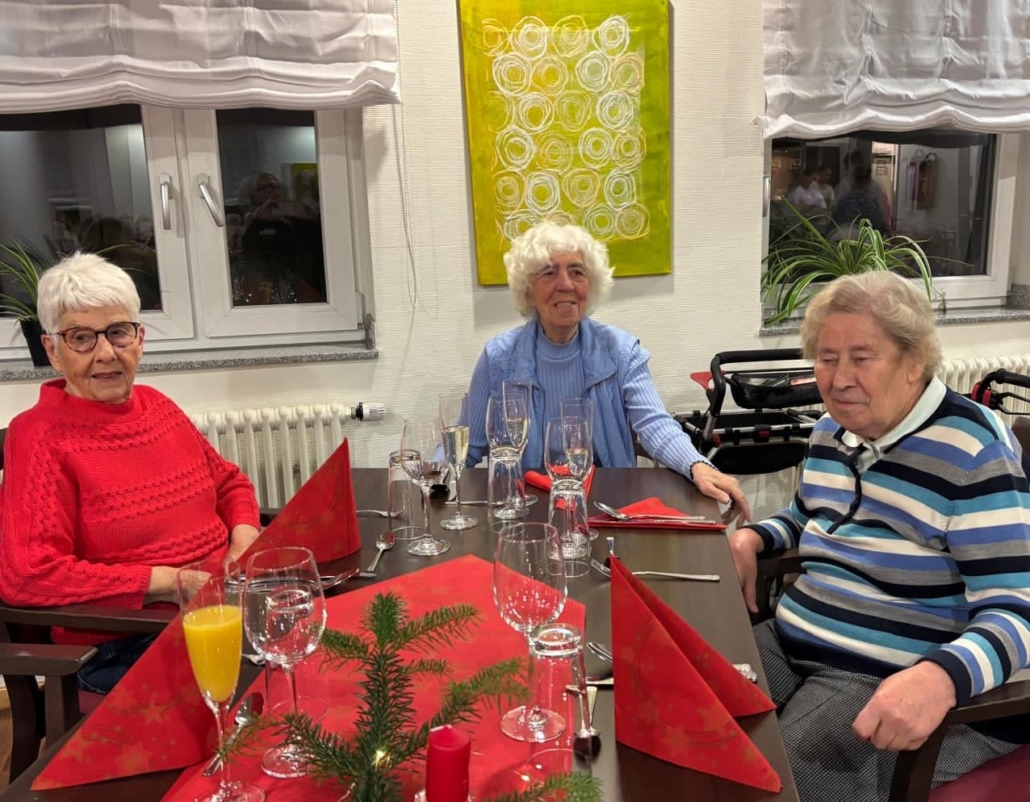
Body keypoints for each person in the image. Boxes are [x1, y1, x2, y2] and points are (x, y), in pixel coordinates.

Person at [728, 271, 1030, 801]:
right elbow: (807, 518)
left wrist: (940, 678)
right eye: (826, 358)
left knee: (771, 779)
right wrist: (753, 539)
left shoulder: (974, 451)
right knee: (683, 706)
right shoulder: (832, 430)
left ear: (915, 360)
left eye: (861, 358)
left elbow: (1018, 609)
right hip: (793, 641)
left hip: (888, 674)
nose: (839, 379)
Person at [0, 253, 262, 693]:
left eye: (118, 332)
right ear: (52, 351)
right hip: (128, 643)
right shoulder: (39, 437)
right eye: (81, 338)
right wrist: (166, 584)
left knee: (342, 655)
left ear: (139, 339)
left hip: (224, 609)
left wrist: (244, 540)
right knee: (286, 696)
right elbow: (28, 575)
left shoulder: (157, 406)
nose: (106, 353)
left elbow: (229, 483)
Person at [464, 221, 750, 517]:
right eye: (549, 272)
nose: (566, 284)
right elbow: (468, 447)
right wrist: (438, 482)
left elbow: (654, 424)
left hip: (607, 509)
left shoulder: (621, 352)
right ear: (528, 290)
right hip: (525, 512)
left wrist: (697, 464)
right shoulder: (498, 358)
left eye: (577, 272)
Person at [832, 165, 890, 236]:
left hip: (839, 237)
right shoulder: (871, 204)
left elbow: (833, 222)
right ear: (868, 181)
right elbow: (878, 226)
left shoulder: (842, 201)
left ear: (853, 181)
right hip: (863, 239)